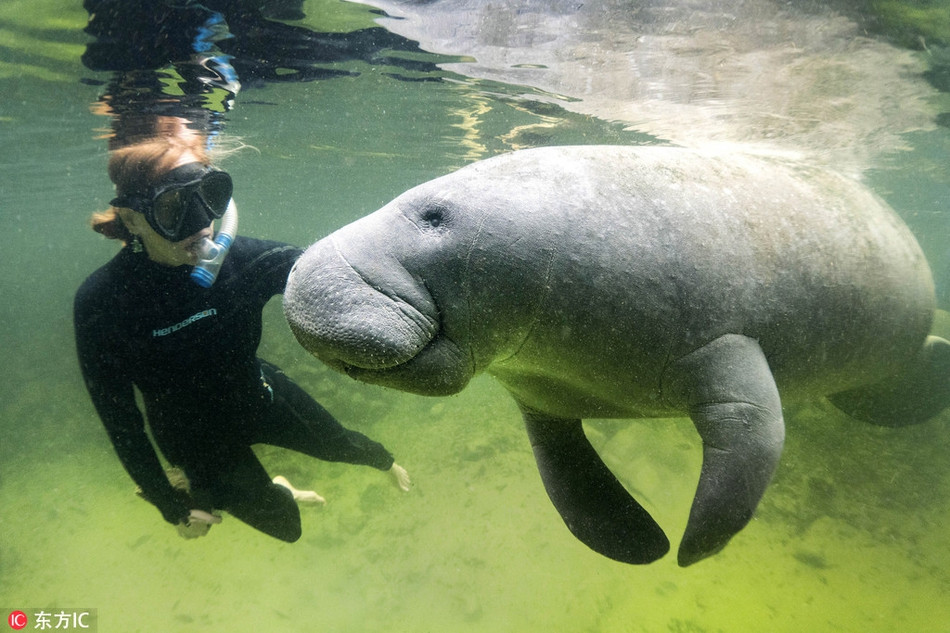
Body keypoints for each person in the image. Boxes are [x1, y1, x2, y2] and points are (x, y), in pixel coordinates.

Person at [74, 133, 410, 542]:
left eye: (208, 197)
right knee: (285, 527)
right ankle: (274, 487)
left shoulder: (247, 261)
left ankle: (387, 464)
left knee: (342, 445)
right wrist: (168, 502)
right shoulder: (103, 302)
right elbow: (120, 421)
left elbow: (334, 274)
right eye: (172, 207)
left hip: (257, 393)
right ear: (131, 218)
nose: (200, 223)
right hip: (190, 438)